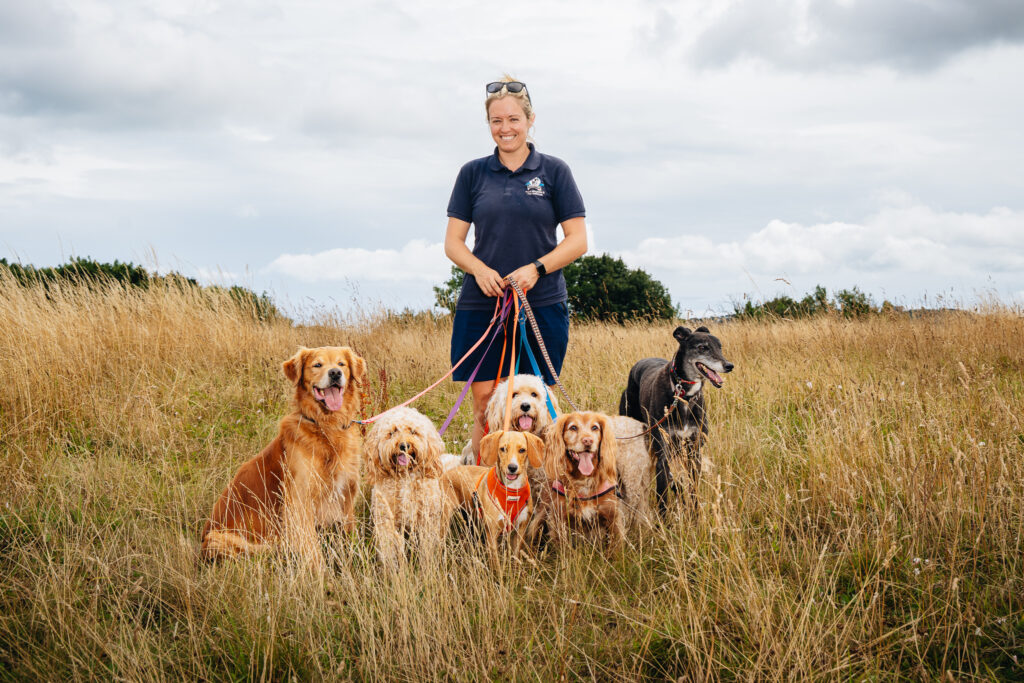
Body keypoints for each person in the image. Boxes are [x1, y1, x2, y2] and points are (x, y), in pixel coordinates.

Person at [444, 76, 588, 457]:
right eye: (496, 121)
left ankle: (534, 505)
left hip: (540, 306)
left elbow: (577, 240)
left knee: (534, 414)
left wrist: (536, 269)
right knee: (486, 410)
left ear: (529, 120)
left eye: (513, 120)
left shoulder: (555, 172)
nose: (505, 129)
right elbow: (453, 244)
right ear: (488, 124)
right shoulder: (472, 174)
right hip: (482, 305)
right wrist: (479, 270)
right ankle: (480, 503)